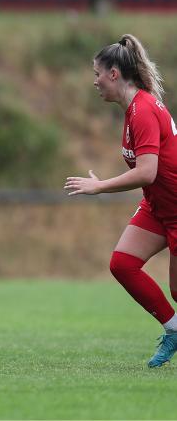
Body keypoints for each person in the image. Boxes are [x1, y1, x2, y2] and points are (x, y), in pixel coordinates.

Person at [65, 34, 177, 368]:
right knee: (123, 264)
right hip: (160, 208)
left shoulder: (142, 110)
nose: (94, 81)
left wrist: (99, 187)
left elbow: (146, 172)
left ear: (114, 73)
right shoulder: (133, 109)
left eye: (97, 73)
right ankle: (174, 330)